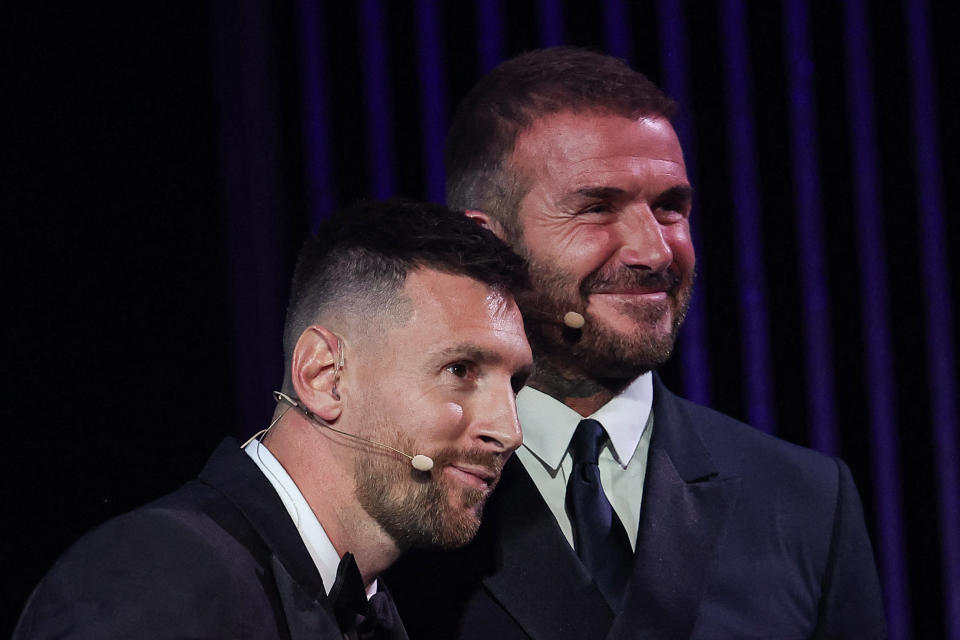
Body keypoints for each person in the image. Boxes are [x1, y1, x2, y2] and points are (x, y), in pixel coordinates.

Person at [386, 47, 887, 639]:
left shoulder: (805, 499)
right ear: (488, 245)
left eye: (670, 208)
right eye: (597, 208)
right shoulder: (394, 489)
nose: (654, 252)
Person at [14, 200, 534, 639]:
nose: (509, 431)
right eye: (460, 370)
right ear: (325, 376)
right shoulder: (150, 581)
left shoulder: (368, 609)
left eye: (515, 385)